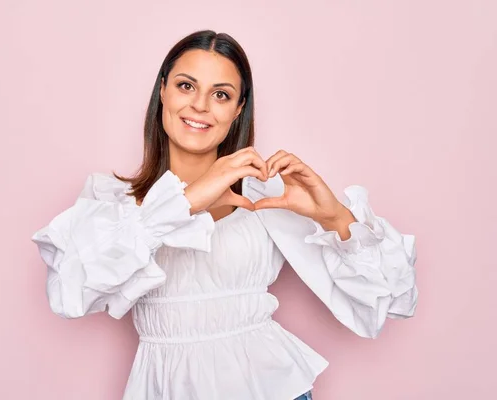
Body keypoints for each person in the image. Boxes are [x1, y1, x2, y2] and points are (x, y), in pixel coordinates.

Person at [31, 30, 418, 400]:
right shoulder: (116, 204)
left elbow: (396, 300)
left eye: (220, 94)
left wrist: (335, 217)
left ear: (238, 110)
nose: (200, 105)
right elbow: (69, 292)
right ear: (162, 89)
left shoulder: (267, 198)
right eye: (186, 86)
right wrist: (184, 202)